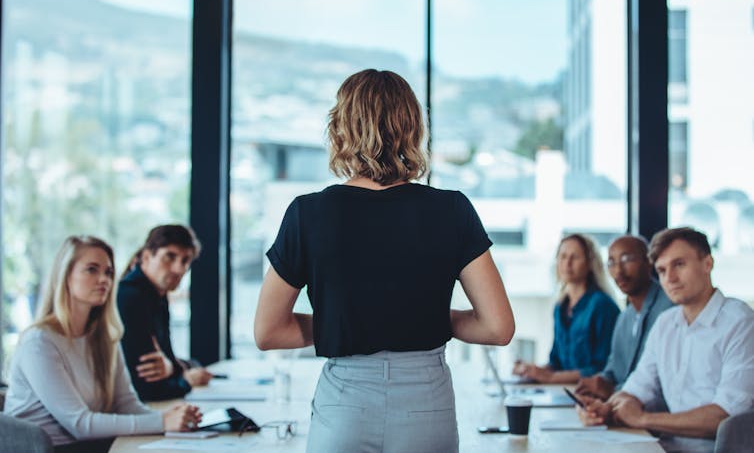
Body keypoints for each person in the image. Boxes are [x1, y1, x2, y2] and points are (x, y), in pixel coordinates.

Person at [254, 69, 515, 453]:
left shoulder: (308, 213)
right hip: (426, 402)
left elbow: (268, 332)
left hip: (345, 403)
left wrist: (345, 321)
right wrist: (422, 317)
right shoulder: (452, 209)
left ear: (341, 128)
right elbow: (498, 328)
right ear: (412, 127)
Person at [4, 236, 201, 452]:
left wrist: (172, 417)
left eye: (108, 272)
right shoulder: (39, 342)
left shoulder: (104, 337)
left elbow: (127, 405)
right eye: (92, 270)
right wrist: (162, 422)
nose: (104, 280)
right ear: (66, 276)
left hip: (93, 446)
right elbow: (79, 424)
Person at [578, 227, 754, 451]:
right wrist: (606, 409)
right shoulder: (665, 323)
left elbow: (725, 416)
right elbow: (636, 388)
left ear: (707, 264)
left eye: (679, 264)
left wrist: (642, 419)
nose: (669, 278)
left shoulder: (740, 323)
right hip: (662, 447)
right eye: (661, 270)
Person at [118, 225, 213, 401]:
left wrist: (173, 368)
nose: (179, 269)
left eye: (185, 261)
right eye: (170, 257)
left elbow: (168, 360)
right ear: (146, 256)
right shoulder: (131, 297)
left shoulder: (157, 296)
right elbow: (147, 387)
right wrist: (185, 380)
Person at [575, 235, 674, 400]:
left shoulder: (670, 309)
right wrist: (599, 382)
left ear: (649, 262)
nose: (618, 271)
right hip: (622, 407)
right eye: (612, 262)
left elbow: (661, 382)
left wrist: (613, 391)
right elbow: (612, 370)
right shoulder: (624, 318)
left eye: (627, 259)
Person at [513, 233, 620, 384]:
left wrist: (551, 378)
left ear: (590, 263)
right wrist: (533, 371)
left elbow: (604, 368)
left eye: (575, 257)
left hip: (592, 394)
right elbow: (556, 363)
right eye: (562, 256)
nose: (567, 263)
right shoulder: (560, 308)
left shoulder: (603, 305)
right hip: (563, 391)